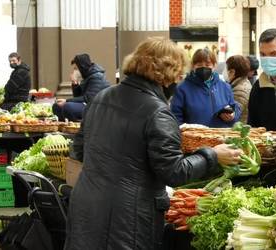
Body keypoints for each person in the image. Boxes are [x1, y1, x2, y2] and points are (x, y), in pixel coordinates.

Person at [64, 37, 243, 250]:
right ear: (165, 75)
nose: (179, 79)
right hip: (128, 217)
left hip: (87, 207)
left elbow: (78, 150)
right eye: (178, 74)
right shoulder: (157, 112)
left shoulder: (102, 97)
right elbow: (174, 172)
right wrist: (213, 155)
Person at [170, 48, 241, 128]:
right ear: (193, 66)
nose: (203, 68)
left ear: (214, 65)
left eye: (207, 65)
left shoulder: (225, 87)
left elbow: (234, 109)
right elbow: (175, 118)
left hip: (222, 137)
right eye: (199, 65)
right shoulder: (182, 88)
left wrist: (232, 116)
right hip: (194, 138)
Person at [52, 54, 109, 121]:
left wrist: (66, 101)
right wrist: (75, 83)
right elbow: (77, 97)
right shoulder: (86, 76)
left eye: (76, 68)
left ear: (82, 67)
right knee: (57, 106)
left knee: (67, 107)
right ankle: (65, 126)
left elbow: (89, 98)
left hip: (97, 107)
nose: (74, 71)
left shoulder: (97, 77)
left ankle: (79, 127)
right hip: (88, 105)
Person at [225, 55, 252, 123]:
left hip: (238, 129)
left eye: (225, 69)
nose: (224, 73)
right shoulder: (241, 83)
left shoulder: (240, 90)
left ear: (232, 72)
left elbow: (232, 113)